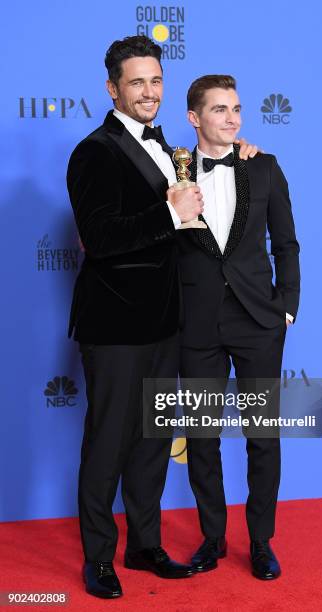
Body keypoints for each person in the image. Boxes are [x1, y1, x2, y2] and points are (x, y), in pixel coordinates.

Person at [67, 37, 257, 598]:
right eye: (135, 82)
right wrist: (168, 213)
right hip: (115, 325)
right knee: (109, 443)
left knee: (153, 441)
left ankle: (144, 545)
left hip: (164, 322)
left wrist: (238, 150)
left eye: (155, 81)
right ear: (112, 89)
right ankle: (99, 558)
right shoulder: (93, 152)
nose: (148, 92)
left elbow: (210, 182)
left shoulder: (167, 147)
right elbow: (100, 239)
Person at [176, 75, 300, 580]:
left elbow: (286, 243)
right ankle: (212, 538)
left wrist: (286, 306)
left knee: (262, 437)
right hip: (196, 323)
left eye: (237, 109)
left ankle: (261, 541)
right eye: (220, 110)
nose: (233, 119)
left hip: (257, 321)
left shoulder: (263, 166)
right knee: (202, 437)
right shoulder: (171, 169)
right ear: (194, 118)